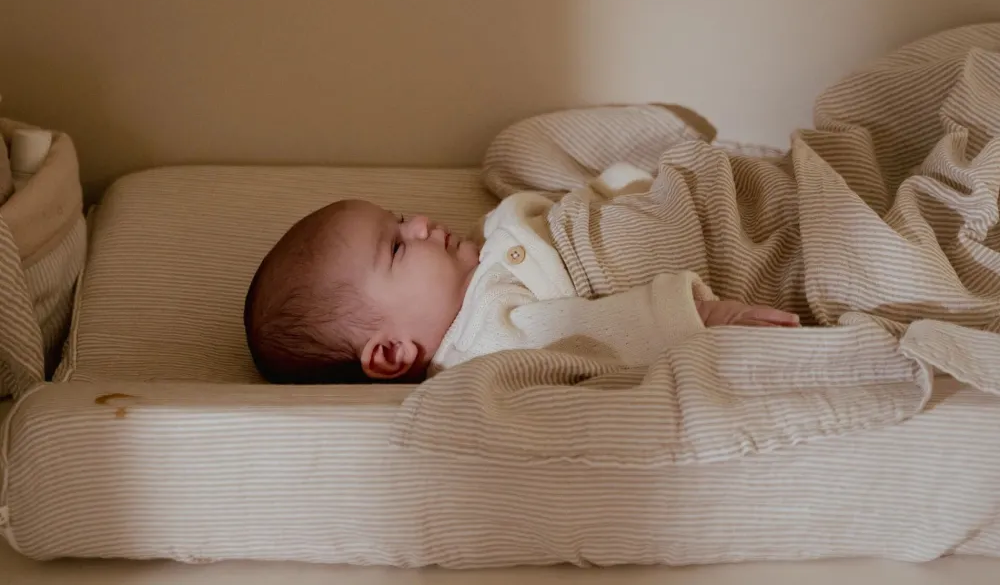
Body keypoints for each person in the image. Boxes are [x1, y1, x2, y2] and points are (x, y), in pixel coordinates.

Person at [244, 165, 799, 385]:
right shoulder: (486, 342)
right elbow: (595, 332)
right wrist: (707, 316)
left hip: (687, 196)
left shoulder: (479, 254)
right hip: (702, 246)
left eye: (399, 217)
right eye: (395, 247)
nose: (419, 223)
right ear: (391, 352)